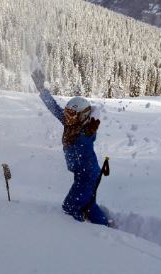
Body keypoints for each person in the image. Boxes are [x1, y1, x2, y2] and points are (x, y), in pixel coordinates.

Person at [32, 70, 109, 226]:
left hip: (87, 176)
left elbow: (89, 136)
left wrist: (90, 129)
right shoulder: (70, 124)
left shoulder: (86, 132)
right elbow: (54, 108)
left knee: (70, 207)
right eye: (67, 113)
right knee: (88, 203)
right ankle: (105, 225)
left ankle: (81, 235)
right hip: (82, 173)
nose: (67, 117)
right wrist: (42, 89)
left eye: (72, 115)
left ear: (82, 117)